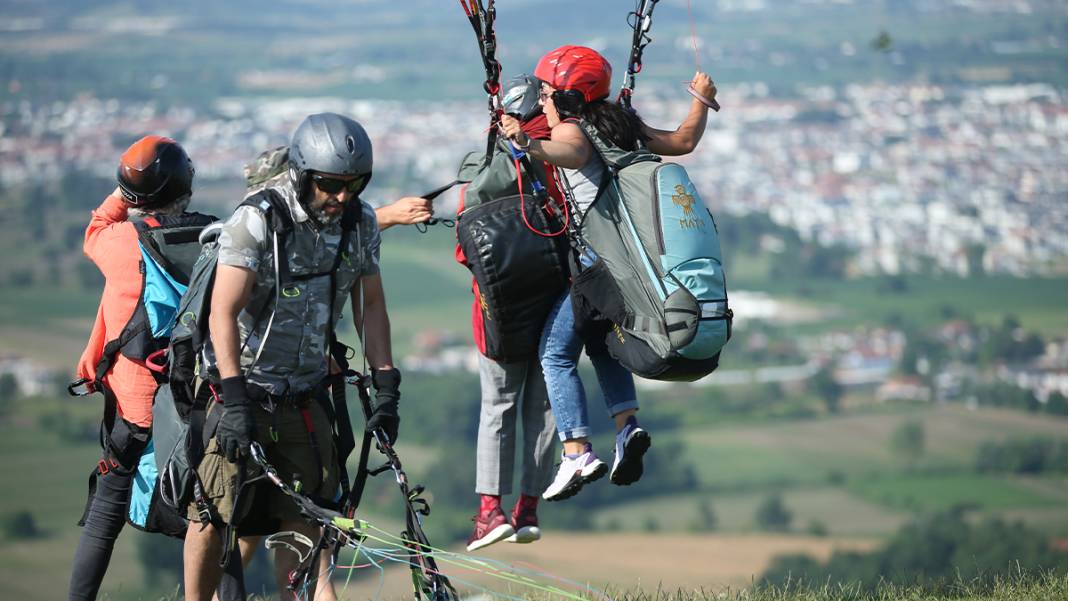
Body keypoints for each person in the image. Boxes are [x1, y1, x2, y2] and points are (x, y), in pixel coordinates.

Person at [182, 112, 400, 601]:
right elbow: (223, 310)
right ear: (303, 173)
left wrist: (386, 385)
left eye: (355, 184)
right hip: (239, 391)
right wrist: (235, 399)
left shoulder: (359, 223)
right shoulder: (258, 219)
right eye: (330, 184)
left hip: (305, 395)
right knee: (213, 513)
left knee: (307, 517)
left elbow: (372, 308)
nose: (342, 196)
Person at [499, 46, 718, 502]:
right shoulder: (621, 124)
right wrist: (701, 100)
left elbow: (572, 153)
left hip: (597, 270)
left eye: (545, 93)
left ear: (565, 96)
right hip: (622, 271)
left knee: (555, 354)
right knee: (602, 346)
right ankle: (626, 427)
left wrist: (525, 142)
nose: (541, 100)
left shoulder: (575, 130)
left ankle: (577, 450)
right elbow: (683, 142)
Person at [69, 136, 215, 601]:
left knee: (105, 512)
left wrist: (126, 190)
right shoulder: (217, 239)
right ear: (186, 186)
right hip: (198, 400)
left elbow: (97, 224)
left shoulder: (116, 244)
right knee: (212, 516)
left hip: (135, 404)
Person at [461, 74, 560, 552]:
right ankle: (523, 508)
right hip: (552, 301)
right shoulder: (559, 162)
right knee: (541, 406)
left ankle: (492, 512)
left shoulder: (483, 170)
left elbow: (467, 249)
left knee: (500, 406)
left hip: (501, 307)